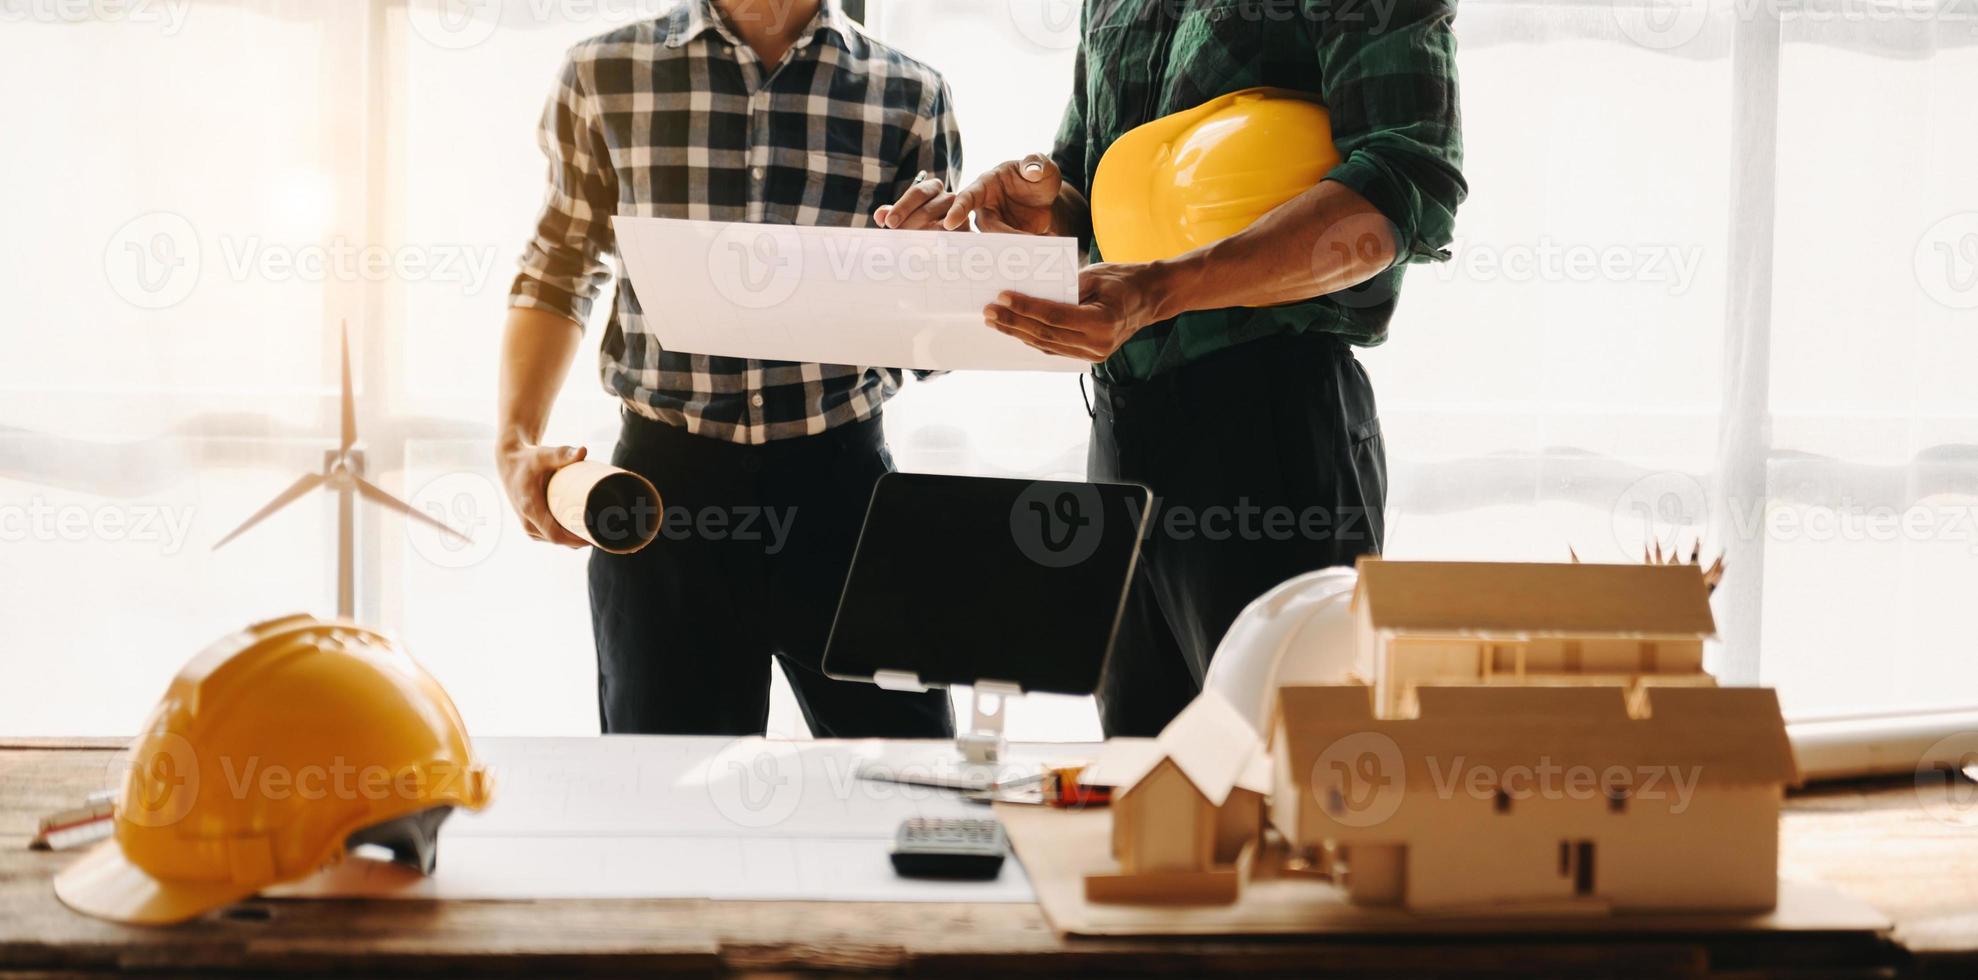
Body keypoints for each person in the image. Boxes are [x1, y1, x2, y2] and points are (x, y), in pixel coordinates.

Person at [876, 0, 1465, 735]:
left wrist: (1157, 290)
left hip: (1274, 431)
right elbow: (1090, 191)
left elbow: (1409, 181)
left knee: (1285, 784)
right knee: (1144, 784)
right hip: (1126, 434)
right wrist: (1042, 209)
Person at [496, 0, 958, 737]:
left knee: (909, 791)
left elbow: (934, 338)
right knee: (664, 809)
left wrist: (940, 284)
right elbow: (558, 268)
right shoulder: (603, 71)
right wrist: (514, 440)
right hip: (661, 501)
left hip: (848, 499)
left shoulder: (911, 92)